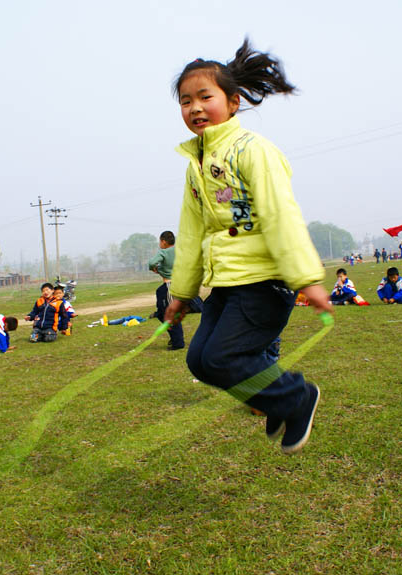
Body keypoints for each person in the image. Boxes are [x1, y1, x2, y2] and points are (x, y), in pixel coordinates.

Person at [163, 39, 331, 455]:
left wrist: (306, 278)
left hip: (264, 282)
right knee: (199, 360)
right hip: (228, 284)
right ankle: (275, 401)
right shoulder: (196, 167)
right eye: (186, 101)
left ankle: (296, 397)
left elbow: (280, 215)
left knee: (222, 359)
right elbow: (190, 234)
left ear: (233, 101)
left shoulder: (252, 151)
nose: (195, 108)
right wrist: (181, 293)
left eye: (206, 97)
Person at [149, 230, 185, 350]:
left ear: (164, 241)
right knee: (161, 312)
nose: (160, 244)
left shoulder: (164, 252)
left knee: (169, 314)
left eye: (160, 241)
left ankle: (178, 343)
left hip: (170, 285)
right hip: (178, 283)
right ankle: (174, 338)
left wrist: (153, 268)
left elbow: (152, 262)